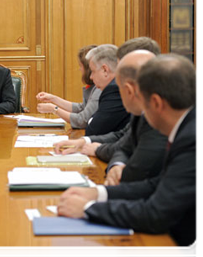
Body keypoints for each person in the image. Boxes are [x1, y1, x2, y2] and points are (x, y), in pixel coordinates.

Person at [57, 54, 199, 257]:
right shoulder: (190, 124)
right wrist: (99, 194)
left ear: (156, 103)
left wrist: (88, 208)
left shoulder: (193, 138)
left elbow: (156, 214)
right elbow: (158, 184)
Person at [54, 37, 161, 160]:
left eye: (121, 69)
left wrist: (99, 150)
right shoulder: (142, 109)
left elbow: (138, 158)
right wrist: (85, 141)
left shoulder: (158, 112)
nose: (117, 76)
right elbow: (123, 140)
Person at [100, 50, 167, 185]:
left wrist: (100, 193)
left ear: (129, 90)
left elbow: (138, 174)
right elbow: (124, 149)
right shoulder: (141, 113)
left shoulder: (160, 118)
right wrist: (116, 166)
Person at [36, 45, 101, 128]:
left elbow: (81, 120)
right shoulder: (95, 87)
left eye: (81, 66)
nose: (80, 69)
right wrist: (53, 98)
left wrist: (54, 109)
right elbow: (82, 108)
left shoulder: (99, 89)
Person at [82, 44, 129, 136]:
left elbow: (93, 130)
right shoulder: (114, 87)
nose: (91, 77)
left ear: (105, 70)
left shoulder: (114, 90)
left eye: (93, 71)